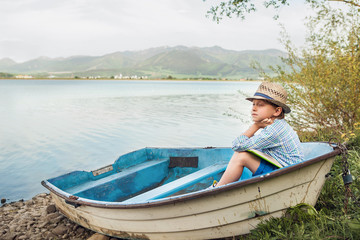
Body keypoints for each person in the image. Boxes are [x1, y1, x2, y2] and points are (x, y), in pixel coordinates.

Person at [212, 81, 304, 188]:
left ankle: (217, 189)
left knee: (241, 156)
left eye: (260, 105)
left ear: (277, 111)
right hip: (285, 170)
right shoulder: (277, 125)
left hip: (288, 176)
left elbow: (237, 146)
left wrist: (255, 126)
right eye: (253, 104)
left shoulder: (273, 131)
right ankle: (221, 186)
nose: (254, 109)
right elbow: (248, 145)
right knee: (244, 153)